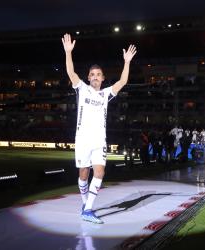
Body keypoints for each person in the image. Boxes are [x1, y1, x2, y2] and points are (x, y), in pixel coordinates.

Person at [62, 33, 137, 224]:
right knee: (83, 175)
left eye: (98, 74)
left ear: (103, 78)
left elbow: (122, 82)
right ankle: (85, 203)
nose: (95, 77)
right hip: (82, 140)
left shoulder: (105, 94)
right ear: (88, 77)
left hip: (99, 141)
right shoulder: (81, 88)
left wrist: (126, 62)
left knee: (100, 173)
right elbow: (71, 73)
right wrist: (68, 52)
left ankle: (88, 210)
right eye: (92, 74)